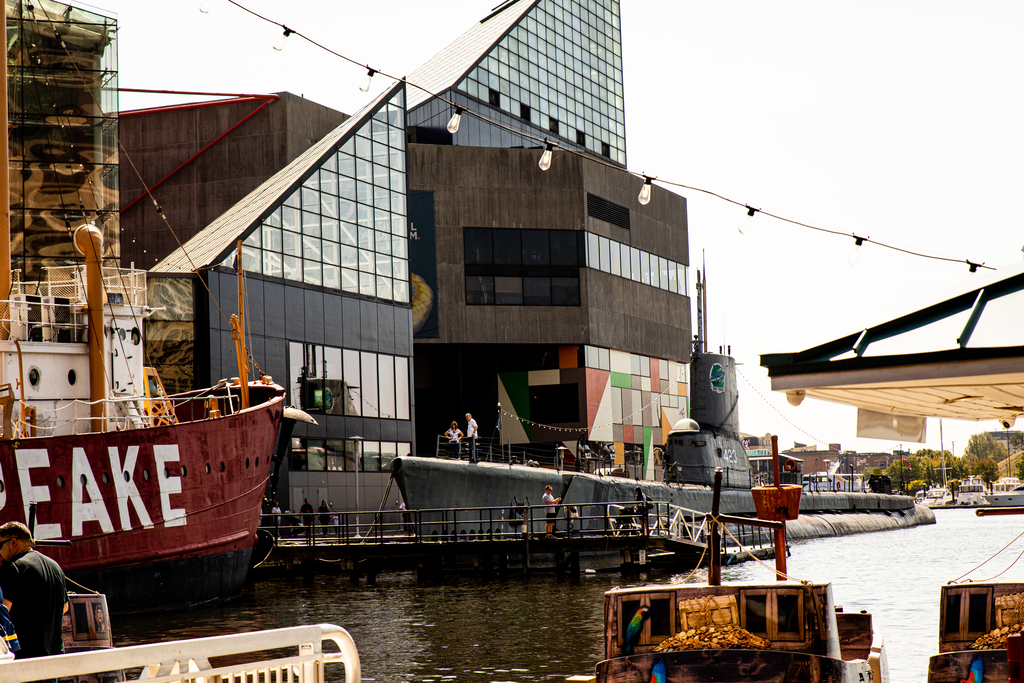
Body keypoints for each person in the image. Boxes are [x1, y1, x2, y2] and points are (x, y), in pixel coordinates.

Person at [0, 521, 68, 659]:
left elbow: (4, 609)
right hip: (55, 658)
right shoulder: (55, 567)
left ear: (13, 542)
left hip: (26, 658)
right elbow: (65, 607)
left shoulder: (12, 568)